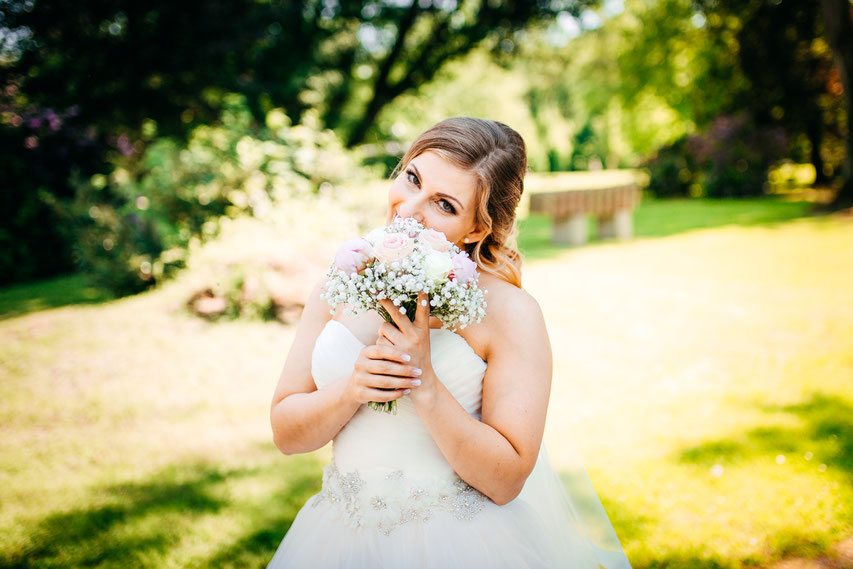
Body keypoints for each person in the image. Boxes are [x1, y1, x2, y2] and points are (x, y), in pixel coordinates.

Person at [268, 117, 631, 569]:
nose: (408, 210)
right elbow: (285, 433)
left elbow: (506, 480)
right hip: (336, 540)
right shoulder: (341, 279)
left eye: (443, 204)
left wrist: (425, 384)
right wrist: (352, 389)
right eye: (412, 178)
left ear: (477, 229)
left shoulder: (511, 313)